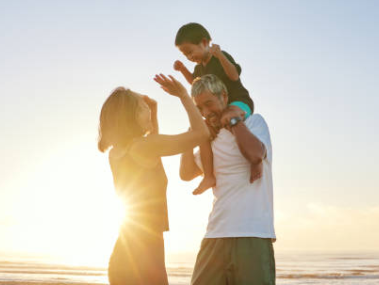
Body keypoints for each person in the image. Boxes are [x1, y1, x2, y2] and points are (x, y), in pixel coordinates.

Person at [98, 74, 209, 285]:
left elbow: (152, 153)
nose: (148, 109)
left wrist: (153, 113)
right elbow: (201, 133)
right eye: (142, 108)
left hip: (125, 250)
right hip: (146, 251)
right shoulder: (145, 147)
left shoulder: (118, 152)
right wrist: (184, 95)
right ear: (129, 116)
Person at [180, 74, 276, 285]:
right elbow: (186, 173)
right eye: (199, 108)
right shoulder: (210, 140)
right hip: (215, 235)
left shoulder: (254, 122)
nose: (205, 112)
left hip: (253, 234)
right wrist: (192, 134)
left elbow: (255, 154)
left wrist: (233, 122)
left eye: (208, 104)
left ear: (224, 96)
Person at [173, 22, 255, 194]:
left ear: (204, 42)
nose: (189, 56)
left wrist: (220, 55)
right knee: (202, 132)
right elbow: (195, 84)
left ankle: (255, 162)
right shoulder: (199, 68)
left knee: (228, 117)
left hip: (238, 103)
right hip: (218, 112)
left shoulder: (219, 57)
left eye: (190, 51)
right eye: (185, 54)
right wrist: (182, 70)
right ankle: (208, 176)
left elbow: (234, 75)